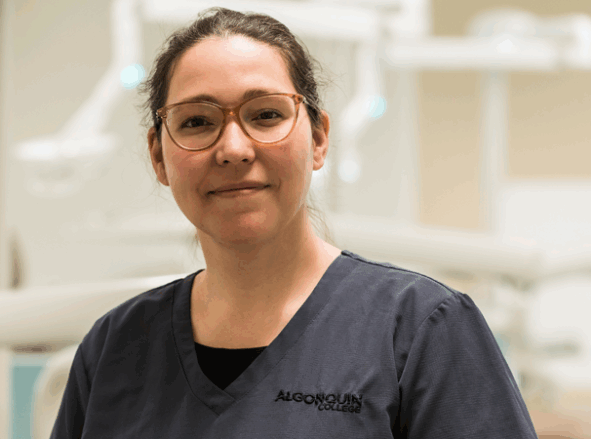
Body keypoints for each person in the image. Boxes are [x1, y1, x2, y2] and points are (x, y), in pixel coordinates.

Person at [50, 7, 537, 438]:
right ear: (159, 155)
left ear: (319, 138)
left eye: (265, 114)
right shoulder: (115, 348)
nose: (234, 149)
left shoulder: (419, 329)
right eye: (196, 122)